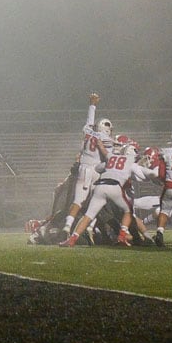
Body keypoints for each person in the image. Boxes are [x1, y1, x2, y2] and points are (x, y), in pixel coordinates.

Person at [61, 140, 158, 247]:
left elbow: (98, 168)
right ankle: (122, 236)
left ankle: (72, 239)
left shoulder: (112, 158)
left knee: (88, 215)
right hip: (115, 187)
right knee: (128, 211)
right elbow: (146, 177)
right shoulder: (131, 163)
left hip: (100, 187)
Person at [61, 93, 113, 237]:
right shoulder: (106, 139)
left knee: (78, 201)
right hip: (96, 171)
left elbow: (89, 121)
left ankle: (67, 226)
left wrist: (92, 105)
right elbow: (110, 157)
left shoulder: (87, 131)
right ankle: (90, 227)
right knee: (96, 202)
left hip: (83, 169)